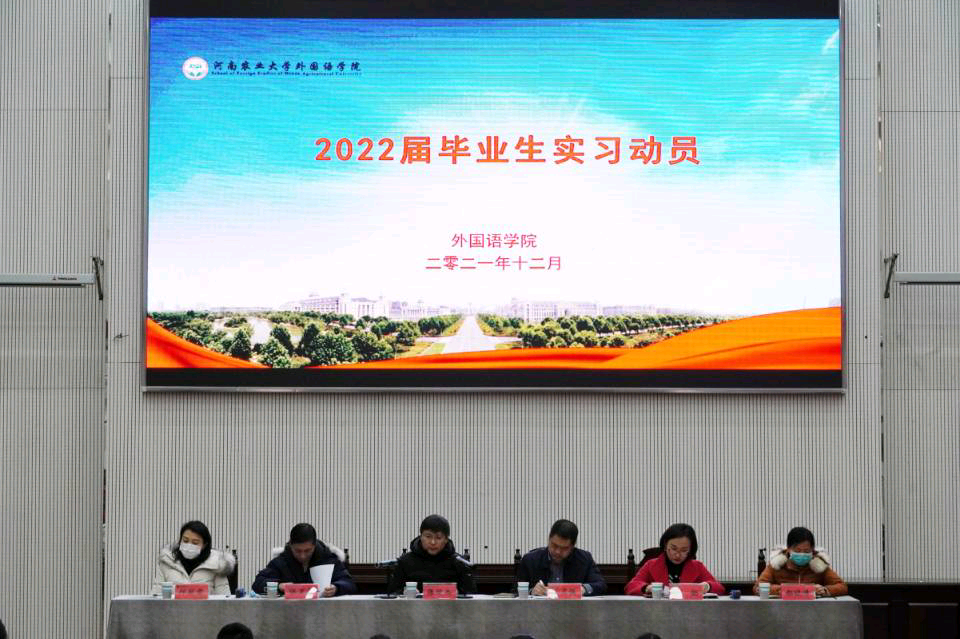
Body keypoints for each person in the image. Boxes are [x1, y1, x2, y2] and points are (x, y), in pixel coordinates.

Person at [252, 523, 356, 596]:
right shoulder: (281, 561)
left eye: (307, 551)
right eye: (297, 551)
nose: (302, 556)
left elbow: (349, 584)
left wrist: (336, 588)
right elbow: (258, 584)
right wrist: (279, 587)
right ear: (291, 546)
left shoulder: (328, 559)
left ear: (314, 546)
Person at [624, 523, 725, 595]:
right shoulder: (651, 565)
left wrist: (707, 586)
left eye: (684, 550)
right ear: (665, 545)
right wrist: (647, 588)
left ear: (690, 550)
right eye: (673, 549)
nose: (677, 555)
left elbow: (720, 588)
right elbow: (631, 586)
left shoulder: (697, 566)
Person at [387, 514, 476, 594]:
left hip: (451, 606)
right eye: (428, 536)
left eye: (438, 537)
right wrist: (405, 593)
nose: (433, 542)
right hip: (414, 607)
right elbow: (393, 594)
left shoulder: (458, 562)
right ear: (421, 536)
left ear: (446, 539)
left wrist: (458, 594)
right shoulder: (405, 562)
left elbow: (471, 595)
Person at [517, 519, 607, 596]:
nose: (558, 551)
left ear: (572, 546)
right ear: (549, 539)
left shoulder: (585, 559)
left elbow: (601, 585)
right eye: (554, 545)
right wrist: (531, 591)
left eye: (564, 548)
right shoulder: (530, 560)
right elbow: (515, 592)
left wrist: (582, 589)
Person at [754, 526, 848, 597]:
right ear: (789, 549)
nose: (802, 554)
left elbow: (842, 586)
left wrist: (824, 590)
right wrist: (787, 590)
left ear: (812, 549)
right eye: (798, 551)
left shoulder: (819, 565)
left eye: (806, 551)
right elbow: (758, 588)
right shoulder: (776, 565)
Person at [151, 520, 236, 596]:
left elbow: (224, 600)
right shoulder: (167, 561)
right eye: (185, 540)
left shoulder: (217, 565)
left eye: (195, 543)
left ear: (204, 545)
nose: (189, 545)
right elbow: (155, 597)